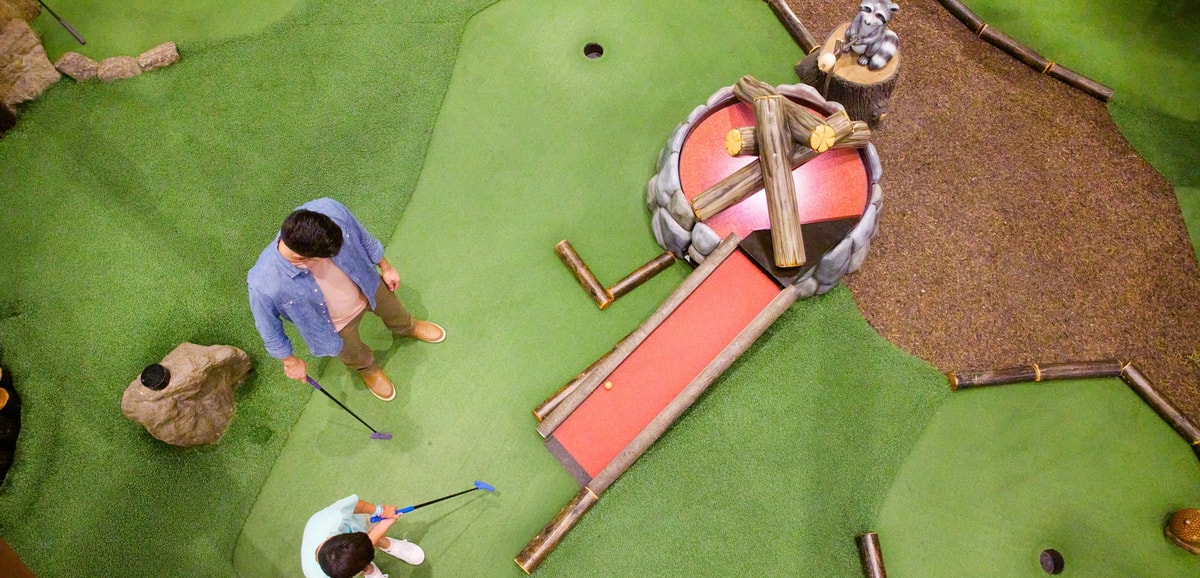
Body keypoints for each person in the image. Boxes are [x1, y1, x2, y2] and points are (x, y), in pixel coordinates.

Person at [248, 198, 445, 400]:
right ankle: (367, 368)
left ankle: (407, 327)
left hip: (368, 285)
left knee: (395, 311)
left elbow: (363, 237)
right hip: (335, 325)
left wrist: (385, 267)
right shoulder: (263, 283)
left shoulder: (328, 210)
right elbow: (269, 329)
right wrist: (289, 361)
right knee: (353, 353)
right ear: (306, 256)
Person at [301, 494, 424, 578]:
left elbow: (353, 506)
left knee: (367, 530)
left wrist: (380, 511)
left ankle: (389, 545)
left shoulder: (334, 518)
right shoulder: (316, 575)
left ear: (331, 537)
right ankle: (370, 571)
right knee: (357, 562)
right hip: (350, 564)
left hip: (355, 521)